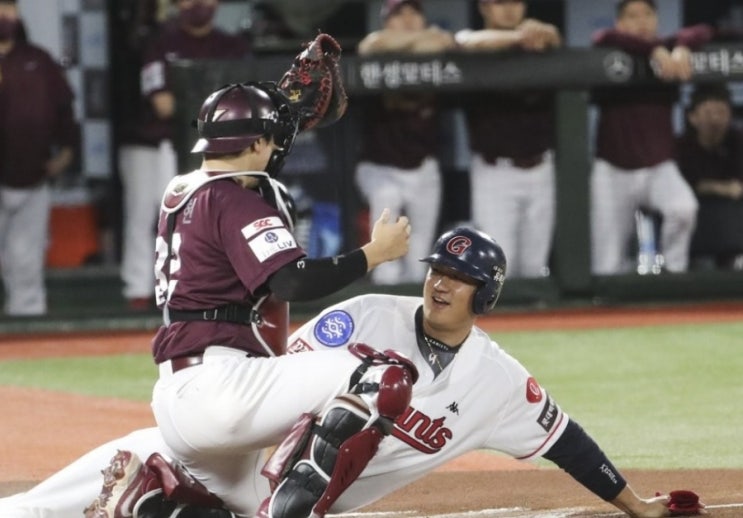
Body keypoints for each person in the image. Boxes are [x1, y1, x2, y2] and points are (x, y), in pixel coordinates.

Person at [0, 227, 705, 518]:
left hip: (282, 498)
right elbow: (280, 391)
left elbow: (563, 440)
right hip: (238, 462)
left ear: (482, 296)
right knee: (68, 492)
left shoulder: (495, 381)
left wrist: (634, 506)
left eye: (458, 279)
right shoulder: (364, 316)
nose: (440, 284)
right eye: (436, 271)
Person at [86, 69, 418, 518]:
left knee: (241, 512)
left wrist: (273, 115)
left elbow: (258, 188)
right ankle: (289, 503)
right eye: (274, 138)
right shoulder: (232, 200)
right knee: (379, 377)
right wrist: (373, 254)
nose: (280, 146)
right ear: (258, 143)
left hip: (180, 396)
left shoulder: (181, 190)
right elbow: (292, 281)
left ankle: (153, 502)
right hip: (224, 388)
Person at [119, 0, 250, 310]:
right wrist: (217, 110)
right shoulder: (161, 44)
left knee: (204, 219)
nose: (199, 4)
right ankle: (138, 288)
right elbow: (162, 104)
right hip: (158, 143)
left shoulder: (231, 46)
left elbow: (248, 100)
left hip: (213, 146)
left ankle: (195, 288)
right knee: (147, 214)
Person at [589, 0, 713, 275]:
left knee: (683, 209)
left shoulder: (672, 49)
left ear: (657, 20)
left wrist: (680, 48)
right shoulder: (610, 48)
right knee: (607, 263)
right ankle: (605, 312)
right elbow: (602, 36)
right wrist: (655, 50)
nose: (641, 21)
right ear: (620, 22)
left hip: (659, 166)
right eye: (632, 16)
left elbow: (703, 31)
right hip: (613, 168)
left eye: (647, 14)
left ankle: (673, 274)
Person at [455, 0, 561, 279]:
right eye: (500, 2)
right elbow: (464, 42)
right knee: (499, 264)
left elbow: (554, 37)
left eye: (515, 2)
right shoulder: (478, 42)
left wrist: (543, 33)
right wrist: (519, 37)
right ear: (484, 8)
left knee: (535, 265)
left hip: (540, 166)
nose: (509, 9)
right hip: (495, 172)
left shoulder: (540, 40)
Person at [354, 0, 456, 285]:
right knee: (388, 199)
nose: (409, 19)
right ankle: (384, 286)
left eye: (414, 13)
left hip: (423, 166)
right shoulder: (378, 48)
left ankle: (415, 309)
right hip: (378, 167)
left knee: (420, 254)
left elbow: (445, 42)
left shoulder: (435, 51)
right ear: (387, 21)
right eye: (400, 14)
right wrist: (423, 40)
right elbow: (371, 45)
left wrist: (423, 41)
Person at [0, 0, 79, 316]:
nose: (4, 17)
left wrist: (67, 152)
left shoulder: (38, 60)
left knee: (27, 256)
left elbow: (64, 112)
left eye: (9, 9)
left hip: (33, 172)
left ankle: (27, 317)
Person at [676, 82, 743, 270]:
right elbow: (685, 184)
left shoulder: (738, 141)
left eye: (721, 112)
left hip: (735, 227)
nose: (715, 120)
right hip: (695, 231)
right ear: (693, 117)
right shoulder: (681, 146)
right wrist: (719, 188)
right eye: (708, 113)